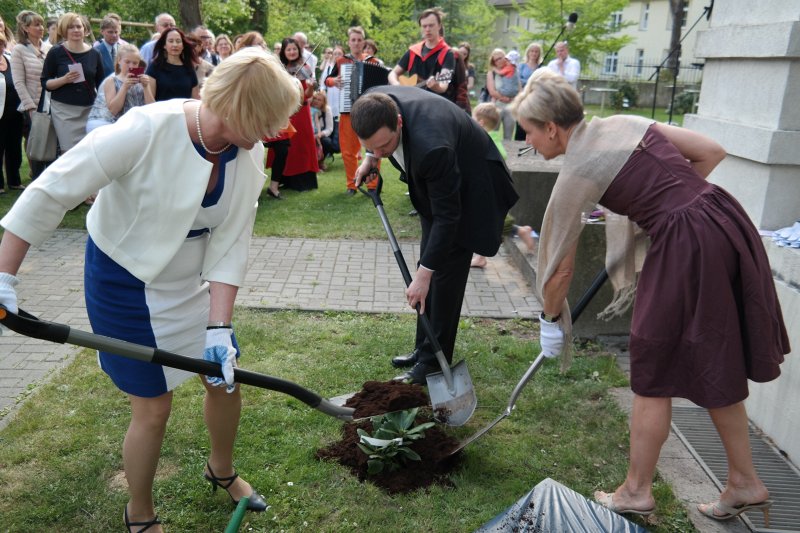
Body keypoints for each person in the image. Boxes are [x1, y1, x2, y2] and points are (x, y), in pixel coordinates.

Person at [0, 47, 301, 532]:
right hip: (125, 280)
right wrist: (4, 276)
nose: (273, 133)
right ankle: (138, 511)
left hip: (187, 282)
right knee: (153, 408)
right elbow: (51, 189)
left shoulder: (249, 153)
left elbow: (230, 244)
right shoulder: (146, 129)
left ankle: (220, 471)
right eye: (267, 121)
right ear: (241, 111)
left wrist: (219, 327)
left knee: (225, 381)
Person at [511, 69, 789, 523]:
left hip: (688, 245)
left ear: (552, 129)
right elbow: (711, 152)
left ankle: (636, 490)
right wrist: (668, 205)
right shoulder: (622, 123)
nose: (527, 141)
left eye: (528, 132)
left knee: (652, 362)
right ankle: (744, 481)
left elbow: (559, 265)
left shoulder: (578, 169)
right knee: (711, 354)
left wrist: (549, 321)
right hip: (721, 219)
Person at [351, 87, 519, 384]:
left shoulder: (432, 147)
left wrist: (424, 274)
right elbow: (376, 142)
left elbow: (448, 217)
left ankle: (431, 362)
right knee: (429, 267)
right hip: (441, 190)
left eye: (384, 146)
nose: (380, 153)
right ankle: (422, 349)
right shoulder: (375, 102)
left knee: (443, 277)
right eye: (371, 146)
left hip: (472, 188)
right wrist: (370, 159)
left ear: (399, 123)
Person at [469, 103, 536, 268]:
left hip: (488, 192)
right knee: (487, 223)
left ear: (481, 122)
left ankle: (521, 232)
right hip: (491, 191)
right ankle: (481, 256)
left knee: (489, 223)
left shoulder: (484, 142)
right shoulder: (493, 141)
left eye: (473, 118)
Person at [324, 26, 381, 195]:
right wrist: (334, 81)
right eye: (353, 40)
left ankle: (373, 185)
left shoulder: (373, 61)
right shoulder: (341, 61)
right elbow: (327, 79)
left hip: (369, 111)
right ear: (349, 42)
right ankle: (352, 184)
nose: (356, 43)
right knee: (348, 151)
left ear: (363, 42)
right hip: (347, 111)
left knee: (374, 148)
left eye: (359, 40)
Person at [41, 13, 103, 153]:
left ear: (85, 29)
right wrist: (64, 79)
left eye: (78, 26)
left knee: (90, 151)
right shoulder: (56, 52)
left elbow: (101, 85)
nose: (76, 30)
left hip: (89, 109)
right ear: (64, 30)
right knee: (70, 152)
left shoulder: (95, 54)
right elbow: (45, 83)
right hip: (64, 111)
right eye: (70, 27)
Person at [265, 37, 318, 193]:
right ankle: (284, 178)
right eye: (289, 49)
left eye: (294, 49)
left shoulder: (306, 68)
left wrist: (310, 87)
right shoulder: (279, 69)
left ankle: (303, 180)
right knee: (288, 146)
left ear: (299, 50)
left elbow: (307, 95)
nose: (292, 52)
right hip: (286, 111)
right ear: (284, 51)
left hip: (301, 111)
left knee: (303, 143)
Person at [11, 10, 52, 181]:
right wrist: (30, 107)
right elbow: (19, 82)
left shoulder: (49, 48)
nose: (41, 28)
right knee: (36, 145)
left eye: (41, 24)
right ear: (26, 28)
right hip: (34, 105)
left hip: (52, 103)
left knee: (51, 145)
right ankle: (37, 180)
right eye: (36, 25)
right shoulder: (19, 50)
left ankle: (51, 180)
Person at [86, 44, 154, 133]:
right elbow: (113, 111)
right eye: (127, 62)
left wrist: (146, 87)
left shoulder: (142, 81)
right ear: (119, 60)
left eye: (135, 63)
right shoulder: (111, 80)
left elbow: (152, 108)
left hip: (131, 125)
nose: (131, 66)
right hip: (106, 123)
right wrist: (124, 87)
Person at [388, 8, 454, 98]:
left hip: (434, 103)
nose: (427, 29)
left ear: (439, 26)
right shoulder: (413, 51)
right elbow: (393, 73)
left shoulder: (447, 53)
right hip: (411, 100)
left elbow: (443, 86)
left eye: (431, 25)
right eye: (424, 26)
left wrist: (436, 86)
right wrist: (397, 85)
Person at [145, 27, 200, 102]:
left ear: (183, 46)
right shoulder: (155, 67)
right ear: (164, 45)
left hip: (184, 112)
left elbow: (195, 100)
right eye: (171, 41)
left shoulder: (189, 68)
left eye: (178, 41)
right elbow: (149, 102)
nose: (175, 45)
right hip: (160, 112)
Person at [0, 33, 23, 194]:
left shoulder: (9, 59)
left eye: (1, 44)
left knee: (14, 148)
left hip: (15, 111)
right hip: (0, 114)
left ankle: (14, 181)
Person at [486, 48, 520, 141]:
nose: (499, 61)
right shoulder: (492, 73)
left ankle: (507, 155)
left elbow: (519, 89)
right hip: (496, 106)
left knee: (508, 137)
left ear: (506, 58)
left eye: (500, 58)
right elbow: (492, 91)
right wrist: (504, 98)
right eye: (496, 60)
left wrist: (512, 99)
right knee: (492, 135)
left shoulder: (514, 70)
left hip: (510, 107)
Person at [514, 42, 543, 141]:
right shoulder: (521, 66)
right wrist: (531, 82)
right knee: (521, 120)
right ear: (528, 52)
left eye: (536, 52)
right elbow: (518, 80)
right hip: (523, 96)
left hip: (535, 98)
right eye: (532, 51)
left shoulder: (541, 67)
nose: (534, 53)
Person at [310, 90, 334, 170]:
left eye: (319, 100)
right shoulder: (308, 109)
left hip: (321, 134)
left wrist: (319, 135)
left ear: (323, 102)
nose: (316, 101)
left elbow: (329, 129)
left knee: (327, 142)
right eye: (315, 99)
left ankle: (320, 161)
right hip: (309, 133)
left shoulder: (327, 110)